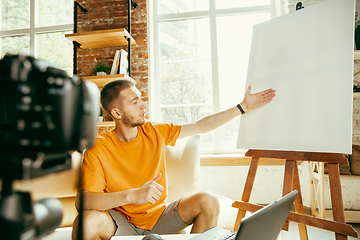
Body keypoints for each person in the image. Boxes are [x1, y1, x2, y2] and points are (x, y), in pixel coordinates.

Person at [71, 79, 276, 240]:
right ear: (116, 112)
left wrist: (243, 106)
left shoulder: (155, 131)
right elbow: (84, 202)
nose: (143, 105)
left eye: (140, 98)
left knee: (208, 201)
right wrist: (133, 195)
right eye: (135, 102)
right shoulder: (98, 148)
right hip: (120, 221)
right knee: (86, 222)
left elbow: (200, 126)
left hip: (160, 217)